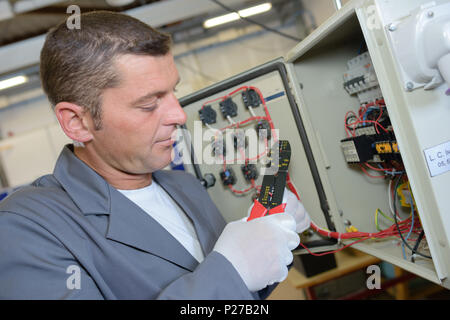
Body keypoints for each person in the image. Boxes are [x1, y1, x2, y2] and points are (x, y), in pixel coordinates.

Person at [0, 11, 310, 299]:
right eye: (149, 103)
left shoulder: (184, 186)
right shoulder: (25, 228)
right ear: (77, 122)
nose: (178, 114)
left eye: (173, 92)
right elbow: (227, 281)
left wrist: (267, 244)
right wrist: (231, 274)